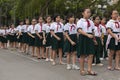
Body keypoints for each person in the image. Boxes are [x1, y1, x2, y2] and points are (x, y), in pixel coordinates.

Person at [77, 8, 97, 76]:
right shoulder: (80, 21)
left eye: (90, 12)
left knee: (91, 54)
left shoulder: (91, 22)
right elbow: (79, 30)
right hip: (83, 37)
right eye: (87, 12)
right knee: (83, 54)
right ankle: (82, 70)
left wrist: (94, 39)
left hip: (90, 38)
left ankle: (89, 70)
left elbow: (93, 31)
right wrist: (87, 35)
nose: (89, 13)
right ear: (83, 13)